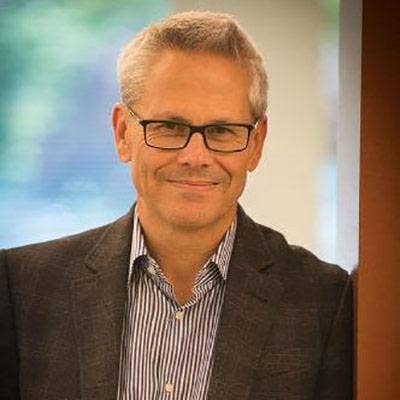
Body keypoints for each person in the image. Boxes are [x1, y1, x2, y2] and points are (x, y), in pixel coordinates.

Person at [0, 11, 353, 400]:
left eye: (222, 130)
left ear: (256, 143)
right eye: (169, 126)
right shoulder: (21, 288)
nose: (195, 156)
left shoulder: (325, 301)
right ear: (122, 133)